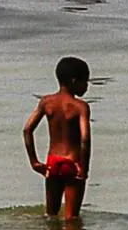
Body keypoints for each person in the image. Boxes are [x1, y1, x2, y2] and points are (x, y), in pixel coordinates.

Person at [24, 57, 93, 217]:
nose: (87, 86)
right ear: (74, 81)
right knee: (71, 219)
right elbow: (85, 140)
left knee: (51, 215)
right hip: (73, 163)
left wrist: (34, 161)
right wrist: (84, 169)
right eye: (85, 81)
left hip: (53, 163)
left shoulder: (46, 102)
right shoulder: (81, 107)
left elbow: (27, 130)